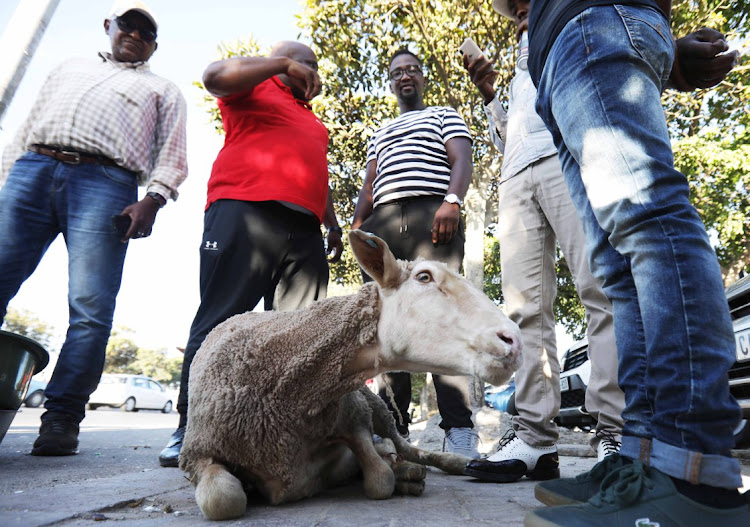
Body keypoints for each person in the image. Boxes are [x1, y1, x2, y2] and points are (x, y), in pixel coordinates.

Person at [522, 1, 750, 525]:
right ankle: (641, 459)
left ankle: (693, 473)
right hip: (565, 58)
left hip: (593, 25)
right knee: (619, 271)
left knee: (650, 221)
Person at [0, 0, 187, 457]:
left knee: (90, 307)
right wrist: (6, 179)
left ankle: (61, 418)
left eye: (147, 32)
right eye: (129, 25)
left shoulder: (163, 89)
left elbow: (172, 153)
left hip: (106, 183)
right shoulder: (68, 67)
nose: (136, 35)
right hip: (33, 168)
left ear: (154, 44)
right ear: (110, 26)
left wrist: (153, 198)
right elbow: (25, 129)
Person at [460, 0, 624, 484]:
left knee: (600, 289)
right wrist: (490, 91)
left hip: (567, 155)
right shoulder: (516, 62)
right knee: (522, 310)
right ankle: (534, 438)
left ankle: (613, 431)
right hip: (516, 176)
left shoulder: (573, 25)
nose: (518, 8)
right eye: (511, 5)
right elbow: (507, 135)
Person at [158, 41, 344, 468]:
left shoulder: (311, 119)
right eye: (302, 62)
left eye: (315, 65)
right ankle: (191, 427)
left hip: (304, 229)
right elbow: (213, 76)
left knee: (300, 334)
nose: (310, 70)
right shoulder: (254, 87)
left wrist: (331, 223)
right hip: (244, 212)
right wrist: (279, 63)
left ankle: (284, 435)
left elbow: (317, 169)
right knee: (220, 320)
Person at [351, 49, 479, 459]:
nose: (404, 76)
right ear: (390, 83)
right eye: (395, 73)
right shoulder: (380, 131)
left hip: (432, 216)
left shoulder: (444, 114)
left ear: (422, 77)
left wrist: (453, 201)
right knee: (387, 324)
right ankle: (392, 427)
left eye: (410, 70)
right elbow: (370, 185)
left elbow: (461, 158)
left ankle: (458, 428)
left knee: (444, 319)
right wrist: (357, 227)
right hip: (384, 223)